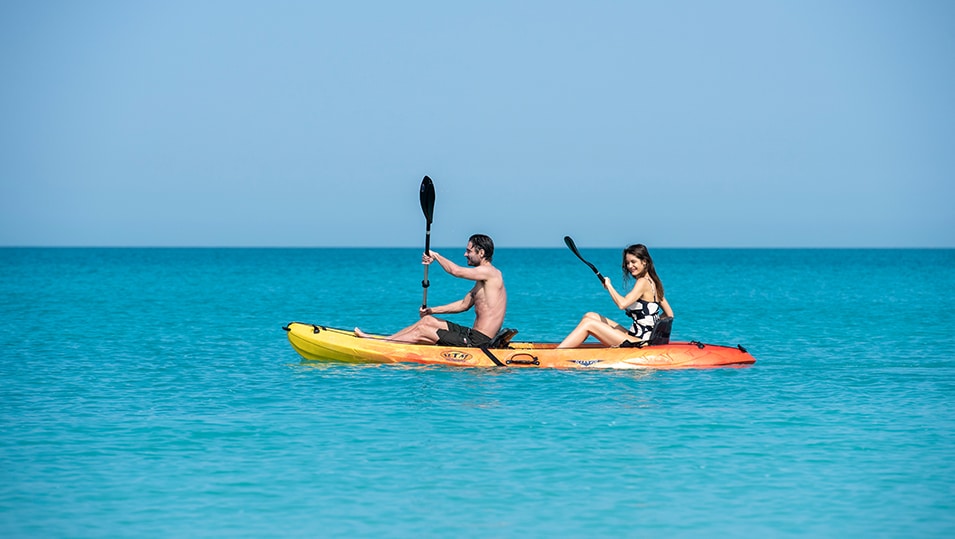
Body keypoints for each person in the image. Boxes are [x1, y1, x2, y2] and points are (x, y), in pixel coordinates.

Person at [355, 234, 507, 347]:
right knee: (427, 321)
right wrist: (432, 310)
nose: (465, 254)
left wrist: (435, 256)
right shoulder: (482, 280)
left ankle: (380, 345)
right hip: (471, 334)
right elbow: (463, 305)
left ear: (481, 253)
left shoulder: (491, 273)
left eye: (469, 251)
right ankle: (385, 341)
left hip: (479, 341)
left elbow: (456, 271)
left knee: (422, 331)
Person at [557, 243, 674, 349]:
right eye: (627, 263)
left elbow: (622, 304)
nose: (630, 266)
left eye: (633, 262)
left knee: (589, 324)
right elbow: (669, 314)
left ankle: (556, 354)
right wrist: (651, 323)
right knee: (590, 316)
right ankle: (570, 348)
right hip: (638, 337)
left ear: (644, 262)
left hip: (639, 342)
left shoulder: (642, 282)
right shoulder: (654, 282)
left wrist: (609, 286)